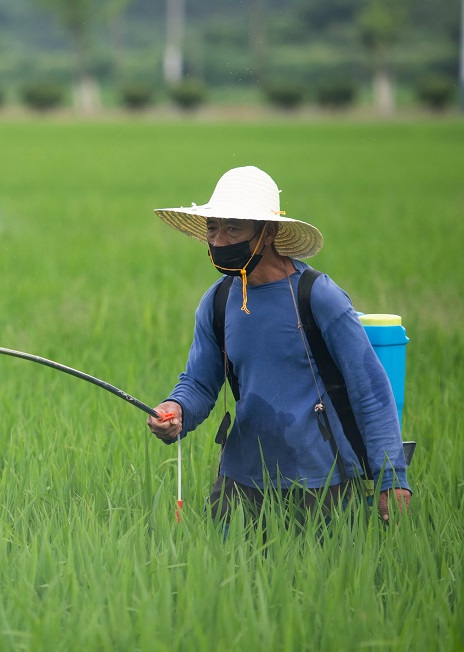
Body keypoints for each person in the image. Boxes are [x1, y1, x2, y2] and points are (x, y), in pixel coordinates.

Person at [146, 166, 412, 525]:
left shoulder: (318, 296)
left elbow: (370, 391)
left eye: (234, 228)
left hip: (321, 482)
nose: (220, 240)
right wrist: (175, 409)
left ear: (268, 231)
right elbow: (199, 382)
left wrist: (392, 478)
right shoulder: (218, 302)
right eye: (213, 228)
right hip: (239, 485)